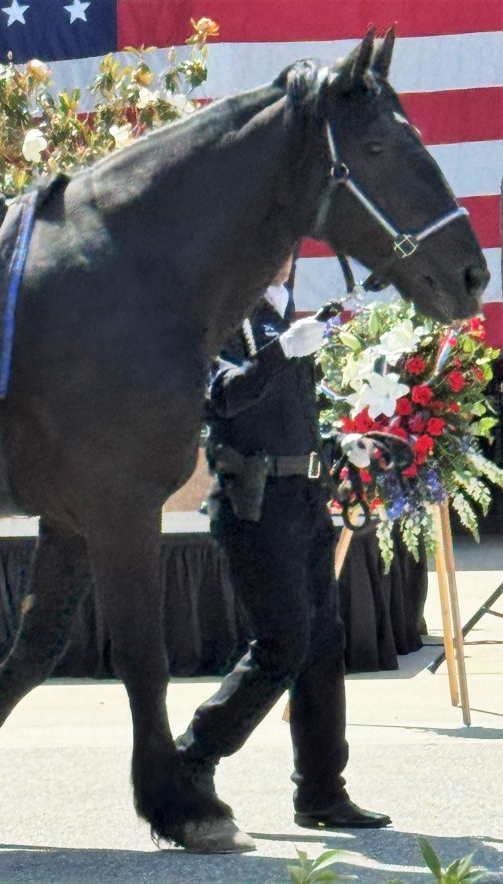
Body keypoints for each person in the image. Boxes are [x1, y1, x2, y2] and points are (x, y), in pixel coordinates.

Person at [176, 254, 391, 845]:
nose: (283, 257)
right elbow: (220, 398)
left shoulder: (281, 320)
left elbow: (284, 417)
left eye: (288, 247)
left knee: (323, 644)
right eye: (271, 246)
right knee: (283, 644)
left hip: (302, 497)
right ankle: (190, 758)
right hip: (254, 502)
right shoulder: (220, 317)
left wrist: (341, 439)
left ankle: (323, 791)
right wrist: (281, 354)